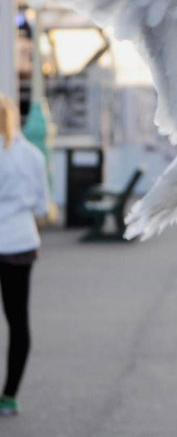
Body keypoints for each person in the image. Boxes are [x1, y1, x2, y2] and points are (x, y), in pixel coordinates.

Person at [0, 94, 49, 417]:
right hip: (20, 244)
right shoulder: (32, 155)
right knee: (18, 323)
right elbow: (42, 208)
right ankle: (10, 395)